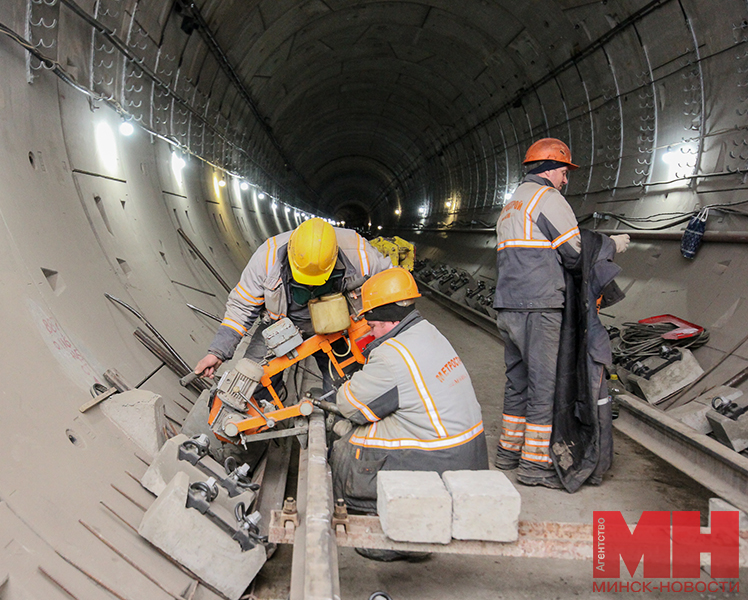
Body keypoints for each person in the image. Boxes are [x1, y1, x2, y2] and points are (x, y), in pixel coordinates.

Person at [494, 138, 629, 488]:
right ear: (553, 169)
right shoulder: (548, 199)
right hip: (539, 307)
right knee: (544, 386)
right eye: (565, 172)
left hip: (508, 305)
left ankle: (508, 452)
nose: (566, 179)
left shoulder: (512, 203)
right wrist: (612, 245)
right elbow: (573, 253)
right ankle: (535, 465)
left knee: (517, 381)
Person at [330, 268, 488, 521]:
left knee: (349, 441)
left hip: (441, 459)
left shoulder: (392, 354)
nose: (370, 333)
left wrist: (352, 381)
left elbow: (351, 406)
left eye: (371, 325)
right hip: (471, 454)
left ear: (386, 317)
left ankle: (377, 516)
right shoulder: (428, 331)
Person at [192, 218, 392, 388]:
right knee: (249, 383)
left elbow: (393, 289)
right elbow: (241, 308)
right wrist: (217, 352)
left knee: (346, 388)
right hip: (281, 326)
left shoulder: (361, 253)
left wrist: (382, 329)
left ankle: (339, 423)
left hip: (337, 329)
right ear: (290, 252)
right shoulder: (266, 258)